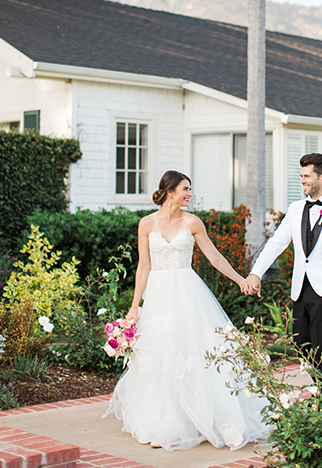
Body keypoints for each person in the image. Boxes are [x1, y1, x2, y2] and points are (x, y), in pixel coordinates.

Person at [103, 170, 268, 451]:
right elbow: (144, 266)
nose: (190, 194)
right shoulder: (146, 224)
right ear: (169, 192)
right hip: (158, 295)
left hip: (186, 292)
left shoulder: (192, 222)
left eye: (190, 189)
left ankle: (201, 416)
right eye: (185, 189)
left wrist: (241, 279)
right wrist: (134, 307)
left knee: (190, 352)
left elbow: (214, 256)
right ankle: (164, 419)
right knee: (159, 357)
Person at [242, 153, 322, 382]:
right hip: (300, 289)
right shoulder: (296, 209)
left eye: (307, 176)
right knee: (300, 343)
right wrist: (256, 272)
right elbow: (277, 242)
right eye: (301, 176)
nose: (302, 180)